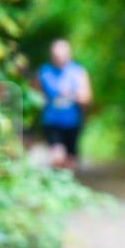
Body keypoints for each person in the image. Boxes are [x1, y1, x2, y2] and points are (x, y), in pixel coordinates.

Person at [38, 38, 92, 170]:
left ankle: (66, 185)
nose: (59, 58)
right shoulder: (44, 72)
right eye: (56, 55)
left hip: (72, 122)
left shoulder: (78, 71)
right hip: (52, 121)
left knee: (70, 161)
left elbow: (86, 97)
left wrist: (73, 96)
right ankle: (56, 183)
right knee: (57, 157)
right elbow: (36, 96)